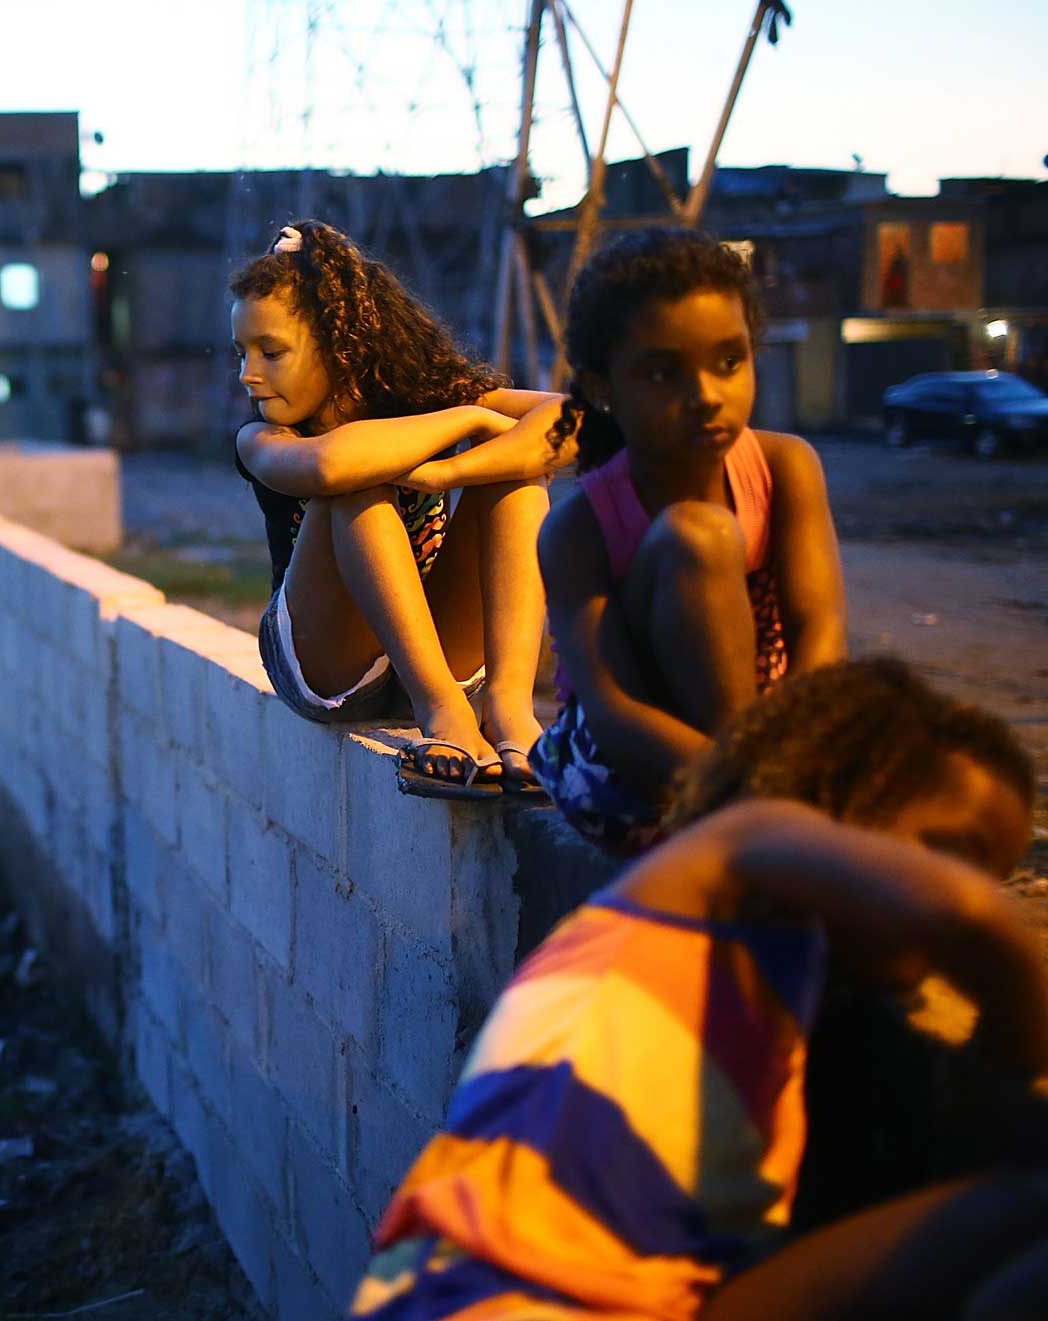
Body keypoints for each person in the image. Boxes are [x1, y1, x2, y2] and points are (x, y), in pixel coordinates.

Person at [354, 658, 1048, 1320]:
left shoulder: (767, 1018)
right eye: (945, 848)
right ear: (846, 783)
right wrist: (1015, 1065)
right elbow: (968, 916)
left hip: (637, 1299)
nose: (962, 880)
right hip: (494, 1298)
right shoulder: (732, 850)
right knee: (1017, 1201)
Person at [531, 227, 846, 853]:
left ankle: (759, 811)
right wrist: (750, 786)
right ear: (601, 387)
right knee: (696, 537)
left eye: (730, 361)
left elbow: (821, 635)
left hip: (771, 744)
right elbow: (615, 711)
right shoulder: (578, 529)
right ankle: (755, 818)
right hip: (634, 770)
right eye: (662, 373)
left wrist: (792, 760)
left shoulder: (786, 467)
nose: (706, 395)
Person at [231, 220, 571, 797]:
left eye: (272, 352)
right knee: (358, 485)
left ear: (339, 346)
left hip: (435, 650)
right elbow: (330, 468)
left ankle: (510, 709)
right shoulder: (262, 440)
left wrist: (452, 469)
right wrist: (469, 416)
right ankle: (444, 715)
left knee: (515, 471)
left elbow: (579, 419)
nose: (249, 375)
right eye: (243, 353)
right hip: (323, 665)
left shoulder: (418, 401)